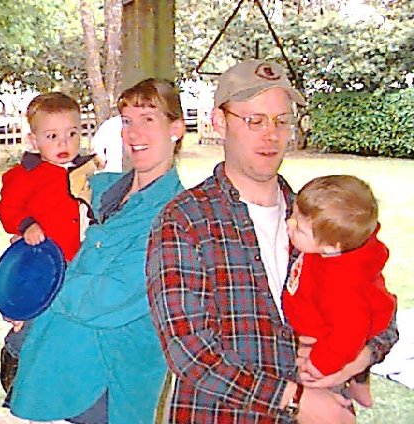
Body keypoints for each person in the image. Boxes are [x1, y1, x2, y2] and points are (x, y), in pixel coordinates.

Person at [146, 59, 398, 423]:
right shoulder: (184, 221)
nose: (271, 135)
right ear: (220, 122)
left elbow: (380, 309)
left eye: (281, 121)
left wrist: (358, 359)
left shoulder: (321, 218)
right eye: (255, 120)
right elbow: (190, 352)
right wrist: (296, 399)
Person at [5, 78, 186, 424]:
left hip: (109, 386)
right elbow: (27, 224)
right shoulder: (96, 189)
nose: (134, 133)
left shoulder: (175, 215)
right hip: (52, 367)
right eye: (128, 121)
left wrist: (37, 295)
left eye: (148, 119)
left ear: (175, 129)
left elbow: (104, 298)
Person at [0, 92, 100, 393]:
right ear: (34, 140)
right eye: (52, 136)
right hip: (43, 261)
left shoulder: (87, 171)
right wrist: (27, 225)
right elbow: (7, 207)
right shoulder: (25, 175)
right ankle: (15, 354)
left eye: (71, 134)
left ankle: (65, 374)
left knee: (67, 321)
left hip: (79, 262)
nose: (63, 143)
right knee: (36, 316)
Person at [283, 174, 397, 408]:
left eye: (299, 229)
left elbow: (349, 334)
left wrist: (320, 365)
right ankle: (359, 382)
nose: (289, 224)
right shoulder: (339, 248)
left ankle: (348, 389)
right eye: (293, 215)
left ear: (330, 247)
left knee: (320, 387)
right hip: (335, 323)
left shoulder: (340, 287)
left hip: (326, 342)